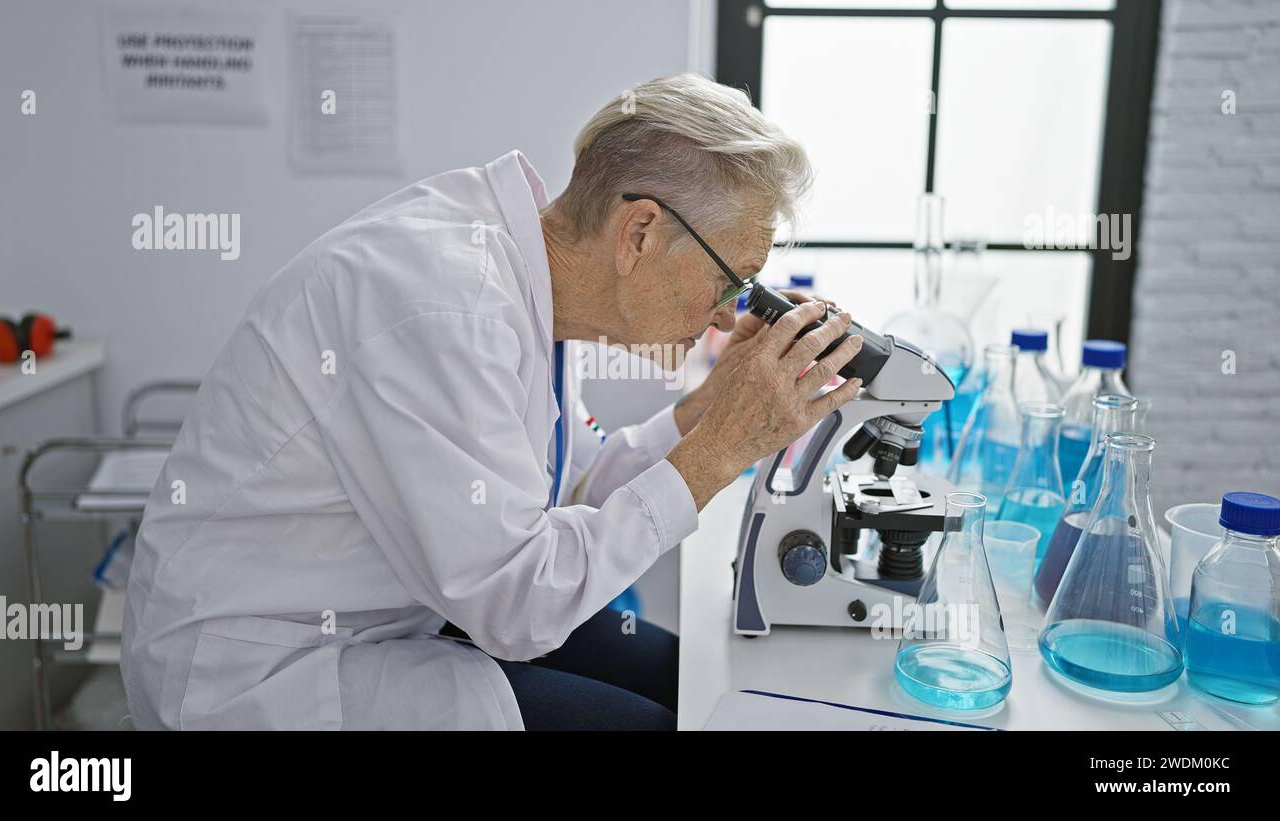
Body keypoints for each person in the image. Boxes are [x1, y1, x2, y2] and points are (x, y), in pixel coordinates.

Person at [121, 73, 864, 730]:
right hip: (258, 668)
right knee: (652, 724)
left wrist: (705, 409)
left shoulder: (527, 274)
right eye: (730, 281)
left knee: (693, 681)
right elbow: (519, 609)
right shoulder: (446, 308)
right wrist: (719, 452)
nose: (727, 316)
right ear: (639, 232)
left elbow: (564, 488)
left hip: (397, 607)